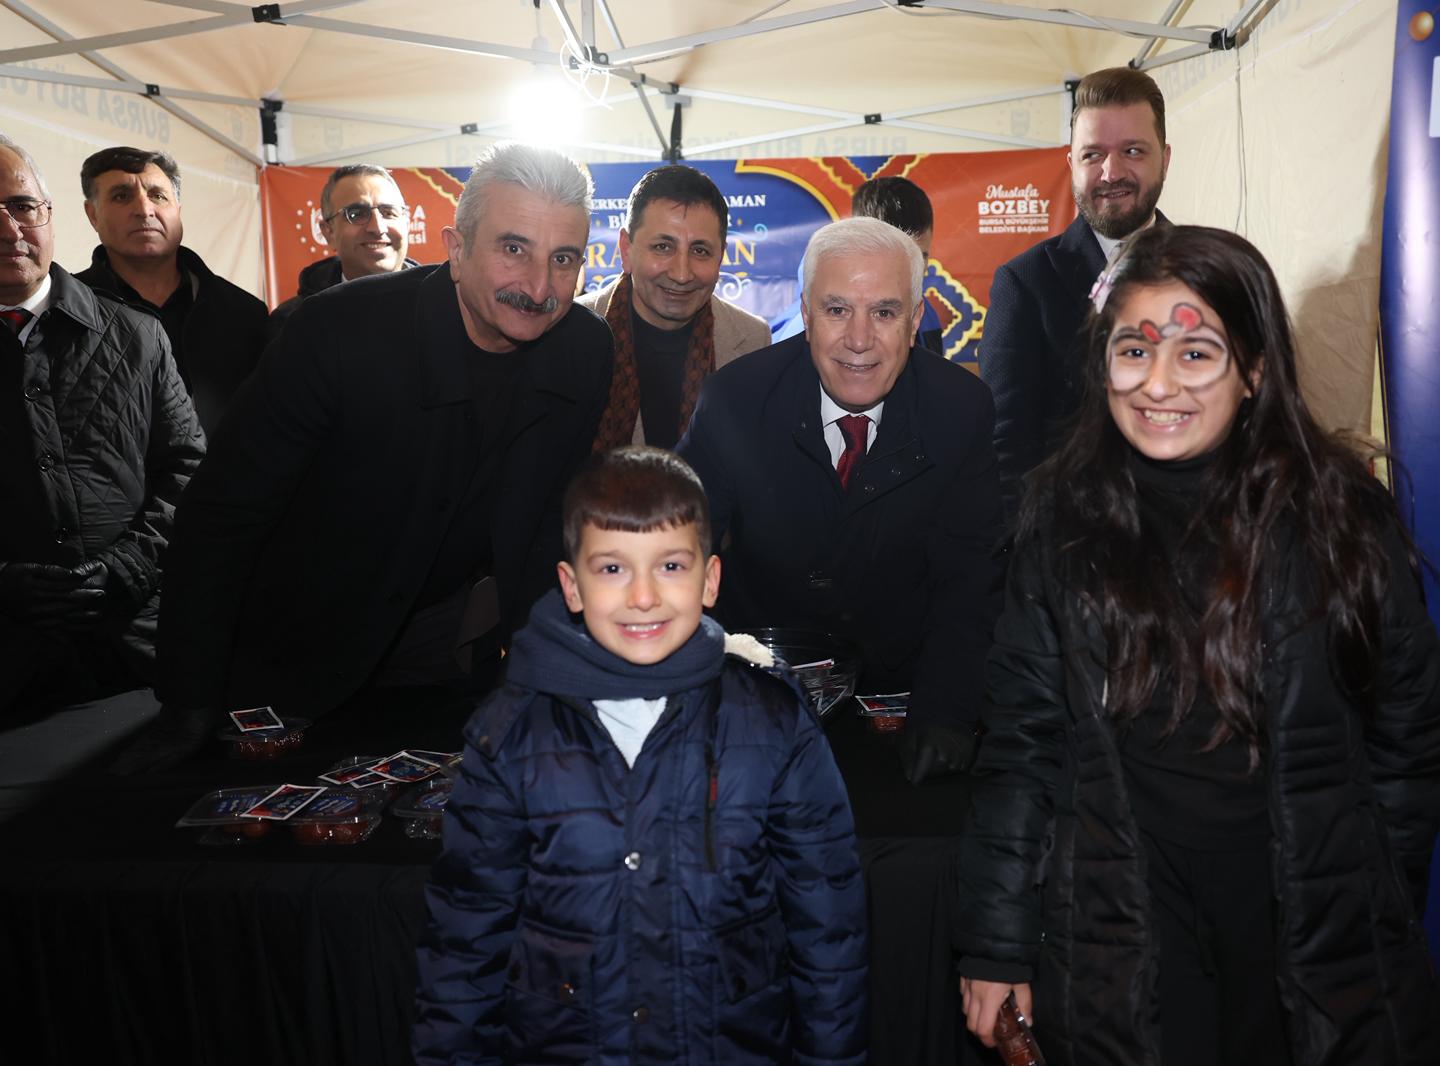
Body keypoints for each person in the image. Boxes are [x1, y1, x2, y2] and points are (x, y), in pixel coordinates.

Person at [955, 226, 1440, 1065]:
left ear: (1254, 369)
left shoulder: (1339, 521)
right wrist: (996, 943)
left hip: (1304, 922)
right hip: (1125, 920)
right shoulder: (1061, 523)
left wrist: (1370, 896)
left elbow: (1411, 736)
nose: (1157, 384)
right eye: (1132, 351)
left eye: (1195, 353)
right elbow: (1021, 747)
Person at [114, 143, 614, 772]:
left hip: (448, 656)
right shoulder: (335, 331)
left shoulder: (584, 349)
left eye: (563, 258)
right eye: (514, 249)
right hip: (297, 652)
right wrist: (188, 703)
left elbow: (551, 524)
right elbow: (222, 515)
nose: (539, 287)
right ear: (456, 249)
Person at [413, 445, 868, 1064]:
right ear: (571, 586)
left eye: (671, 565)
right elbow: (464, 942)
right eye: (612, 569)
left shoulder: (773, 721)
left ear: (710, 579)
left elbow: (829, 928)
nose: (644, 596)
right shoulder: (511, 734)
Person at [677, 217, 1002, 783]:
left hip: (897, 698)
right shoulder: (735, 400)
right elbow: (678, 554)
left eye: (884, 312)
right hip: (757, 694)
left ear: (915, 320)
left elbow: (970, 579)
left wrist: (947, 709)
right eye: (836, 310)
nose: (859, 339)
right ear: (805, 314)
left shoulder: (960, 410)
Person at [0, 134, 204, 715]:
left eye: (22, 206)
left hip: (138, 652)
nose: (10, 230)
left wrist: (128, 567)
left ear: (49, 213)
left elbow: (189, 470)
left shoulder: (138, 335)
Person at [981, 66, 1173, 520]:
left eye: (1132, 151)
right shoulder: (1025, 284)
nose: (1111, 172)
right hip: (1073, 543)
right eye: (1093, 154)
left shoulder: (1210, 274)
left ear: (1165, 160)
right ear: (1071, 165)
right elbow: (1007, 450)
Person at [75, 146, 268, 436]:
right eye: (121, 196)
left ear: (178, 209)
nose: (144, 210)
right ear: (92, 215)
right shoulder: (66, 311)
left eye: (158, 195)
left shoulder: (245, 313)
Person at [577, 164, 770, 449]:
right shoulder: (569, 331)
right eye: (663, 247)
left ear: (720, 257)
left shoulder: (753, 340)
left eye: (700, 251)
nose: (681, 274)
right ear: (626, 249)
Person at [772, 174, 945, 354]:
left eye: (919, 258)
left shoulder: (926, 317)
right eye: (838, 311)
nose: (907, 274)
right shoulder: (801, 332)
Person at [265, 163, 418, 340]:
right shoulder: (292, 323)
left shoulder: (440, 307)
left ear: (407, 224)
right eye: (356, 214)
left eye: (389, 213)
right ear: (328, 232)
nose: (377, 228)